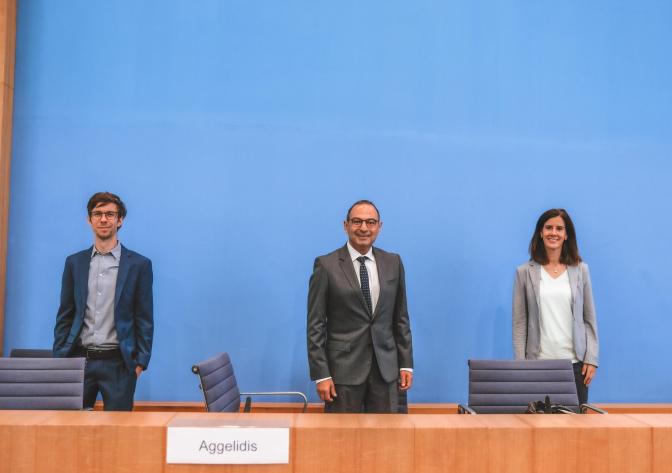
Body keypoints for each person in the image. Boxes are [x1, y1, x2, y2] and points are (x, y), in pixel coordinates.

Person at [307, 200, 414, 413]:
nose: (363, 228)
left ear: (379, 227)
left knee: (387, 439)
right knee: (341, 441)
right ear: (345, 225)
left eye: (370, 222)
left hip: (386, 371)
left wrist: (405, 364)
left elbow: (401, 317)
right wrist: (322, 374)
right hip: (342, 374)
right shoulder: (326, 265)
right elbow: (315, 326)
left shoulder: (393, 262)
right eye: (357, 221)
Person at [53, 192, 153, 411]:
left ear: (120, 220)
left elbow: (144, 318)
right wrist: (61, 355)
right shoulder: (74, 263)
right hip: (78, 361)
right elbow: (65, 313)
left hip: (119, 364)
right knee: (70, 429)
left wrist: (139, 363)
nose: (103, 219)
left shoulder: (139, 265)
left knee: (119, 433)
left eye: (110, 214)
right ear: (89, 219)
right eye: (97, 213)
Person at [512, 208, 599, 404]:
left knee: (575, 431)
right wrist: (520, 366)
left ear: (566, 235)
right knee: (537, 429)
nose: (554, 232)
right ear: (540, 233)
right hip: (537, 365)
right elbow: (520, 323)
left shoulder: (581, 270)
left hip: (575, 366)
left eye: (559, 228)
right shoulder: (524, 272)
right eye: (548, 227)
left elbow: (589, 318)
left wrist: (591, 358)